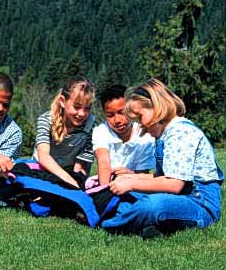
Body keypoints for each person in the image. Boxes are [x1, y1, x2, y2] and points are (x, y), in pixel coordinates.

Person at [102, 78, 224, 237]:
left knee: (153, 205)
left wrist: (131, 183)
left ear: (156, 106)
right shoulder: (165, 135)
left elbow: (174, 184)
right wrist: (133, 176)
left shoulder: (181, 133)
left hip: (199, 204)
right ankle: (151, 226)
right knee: (128, 198)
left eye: (140, 117)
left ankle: (106, 225)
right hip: (180, 198)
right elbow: (163, 177)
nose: (140, 124)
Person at [33, 77, 95, 188]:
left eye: (87, 108)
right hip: (43, 169)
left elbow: (81, 165)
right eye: (77, 107)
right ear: (62, 101)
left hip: (71, 172)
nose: (81, 113)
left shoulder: (90, 125)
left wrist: (77, 183)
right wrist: (69, 181)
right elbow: (43, 157)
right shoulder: (46, 120)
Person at [92, 85, 155, 185]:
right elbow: (103, 162)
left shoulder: (145, 137)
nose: (117, 120)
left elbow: (142, 175)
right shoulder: (101, 131)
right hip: (109, 185)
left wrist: (130, 175)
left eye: (122, 112)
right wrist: (104, 190)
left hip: (134, 186)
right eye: (110, 115)